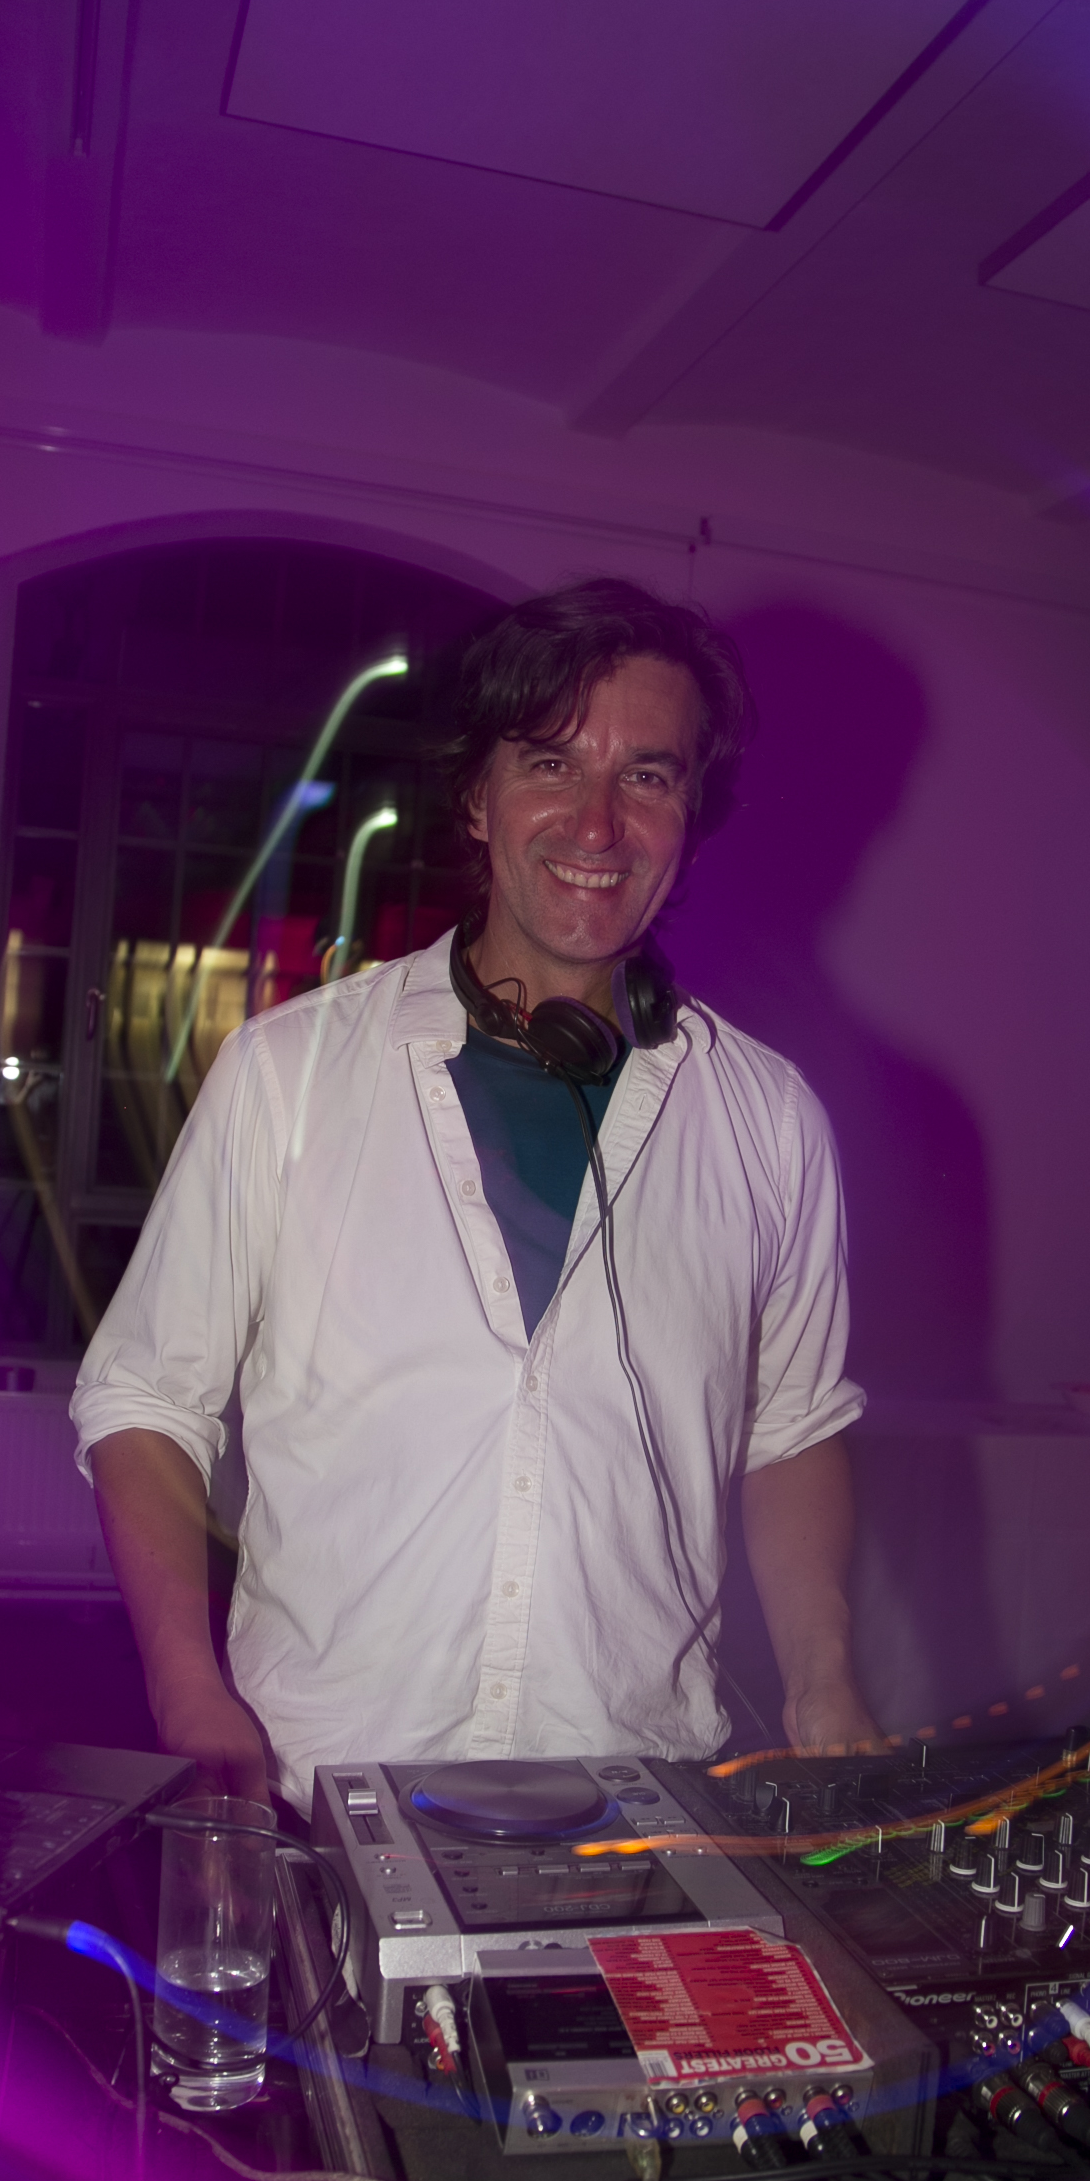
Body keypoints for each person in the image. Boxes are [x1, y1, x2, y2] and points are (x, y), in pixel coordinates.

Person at [71, 577, 882, 1812]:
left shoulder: (769, 1121)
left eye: (648, 775)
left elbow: (793, 1427)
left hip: (643, 1796)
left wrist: (825, 1680)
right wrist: (187, 1687)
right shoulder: (288, 1075)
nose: (597, 823)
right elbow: (145, 1399)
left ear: (692, 816)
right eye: (551, 762)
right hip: (325, 1785)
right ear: (477, 797)